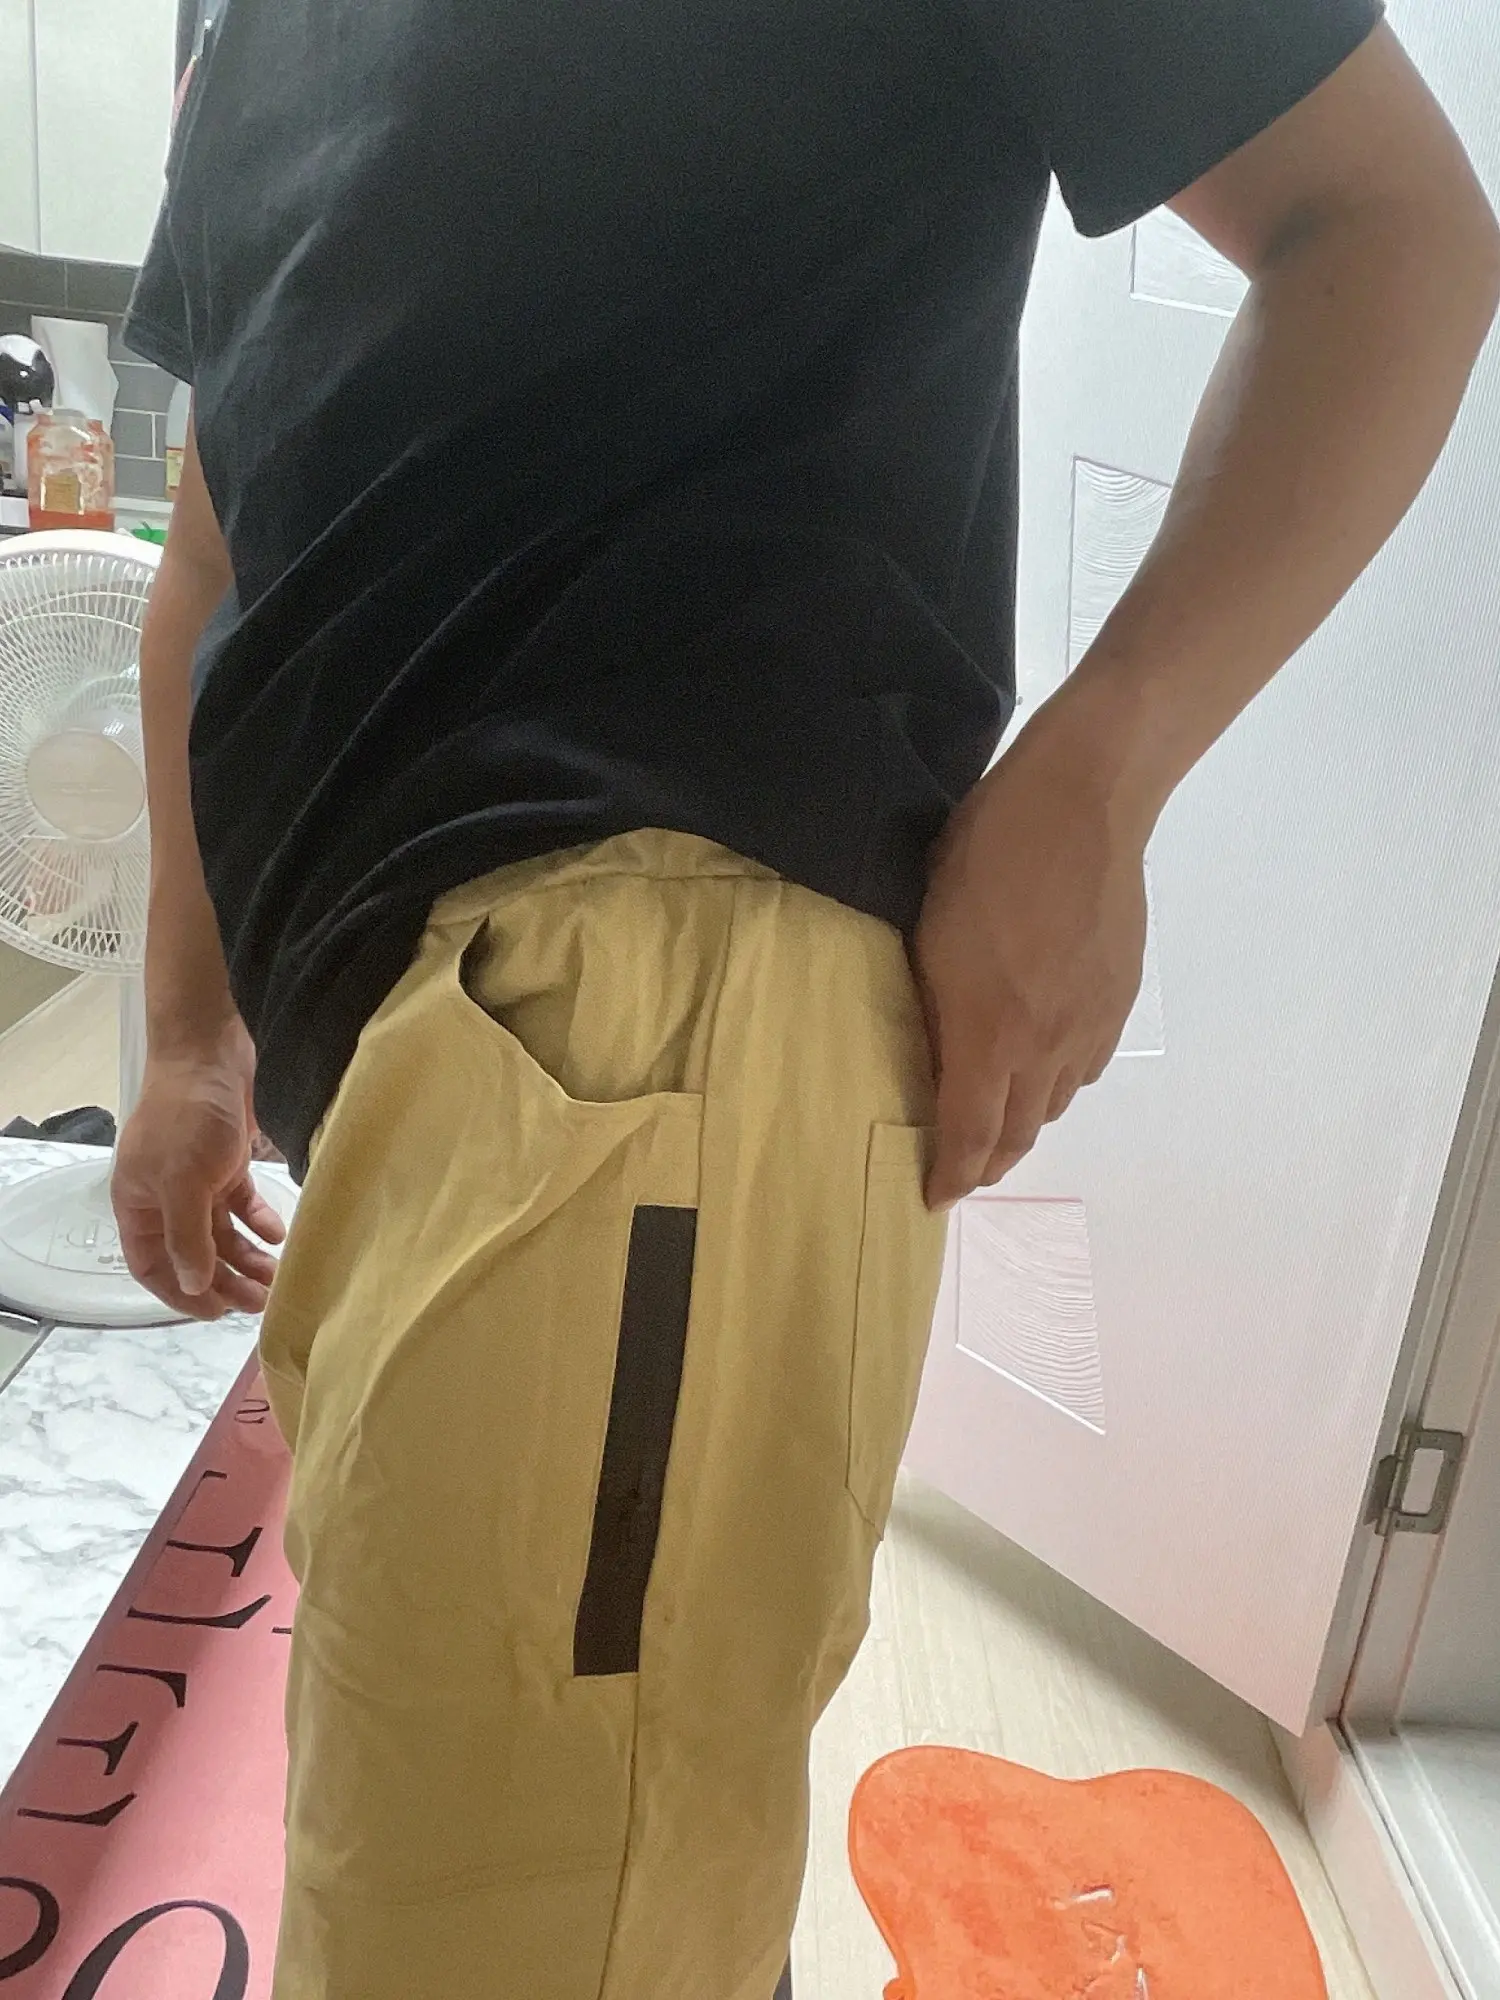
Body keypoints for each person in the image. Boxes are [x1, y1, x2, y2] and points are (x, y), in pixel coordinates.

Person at [112, 0, 1497, 1992]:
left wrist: (1099, 773)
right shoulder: (251, 35)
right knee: (518, 1871)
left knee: (501, 1925)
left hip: (634, 1027)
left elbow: (1384, 224)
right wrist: (189, 1033)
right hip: (404, 1086)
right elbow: (211, 555)